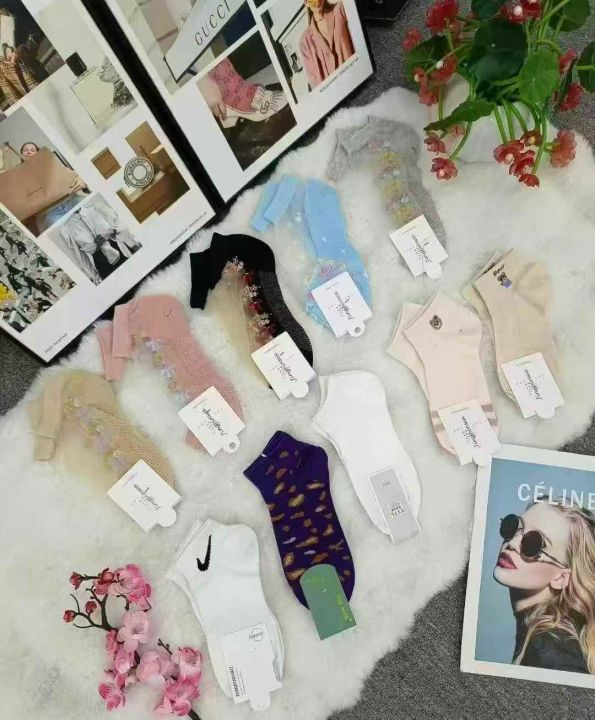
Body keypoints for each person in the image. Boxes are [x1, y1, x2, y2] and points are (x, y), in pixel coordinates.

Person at [494, 502, 595, 673]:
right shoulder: (542, 637)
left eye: (533, 543)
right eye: (514, 527)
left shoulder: (552, 651)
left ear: (560, 578)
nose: (513, 543)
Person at [19, 142, 86, 232]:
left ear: (38, 153)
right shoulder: (19, 178)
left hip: (71, 200)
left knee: (89, 210)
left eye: (32, 150)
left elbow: (77, 176)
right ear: (21, 155)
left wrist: (81, 179)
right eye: (25, 150)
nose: (29, 152)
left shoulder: (52, 165)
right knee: (62, 231)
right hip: (49, 213)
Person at [299, 0, 355, 89]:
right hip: (336, 92)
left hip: (355, 78)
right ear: (306, 3)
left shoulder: (340, 10)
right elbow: (316, 84)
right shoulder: (305, 42)